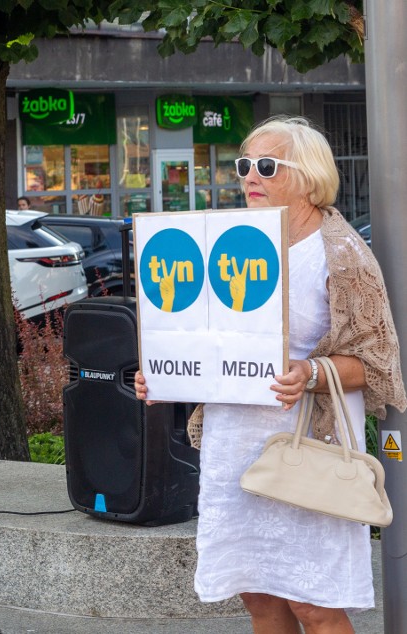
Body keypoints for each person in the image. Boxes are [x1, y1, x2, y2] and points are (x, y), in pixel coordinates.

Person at [135, 116, 405, 633]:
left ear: (306, 175)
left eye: (265, 166)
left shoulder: (340, 252)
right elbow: (205, 341)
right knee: (258, 596)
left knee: (314, 604)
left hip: (307, 446)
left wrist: (311, 370)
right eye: (243, 166)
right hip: (234, 445)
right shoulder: (233, 240)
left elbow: (377, 363)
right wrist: (166, 377)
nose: (249, 177)